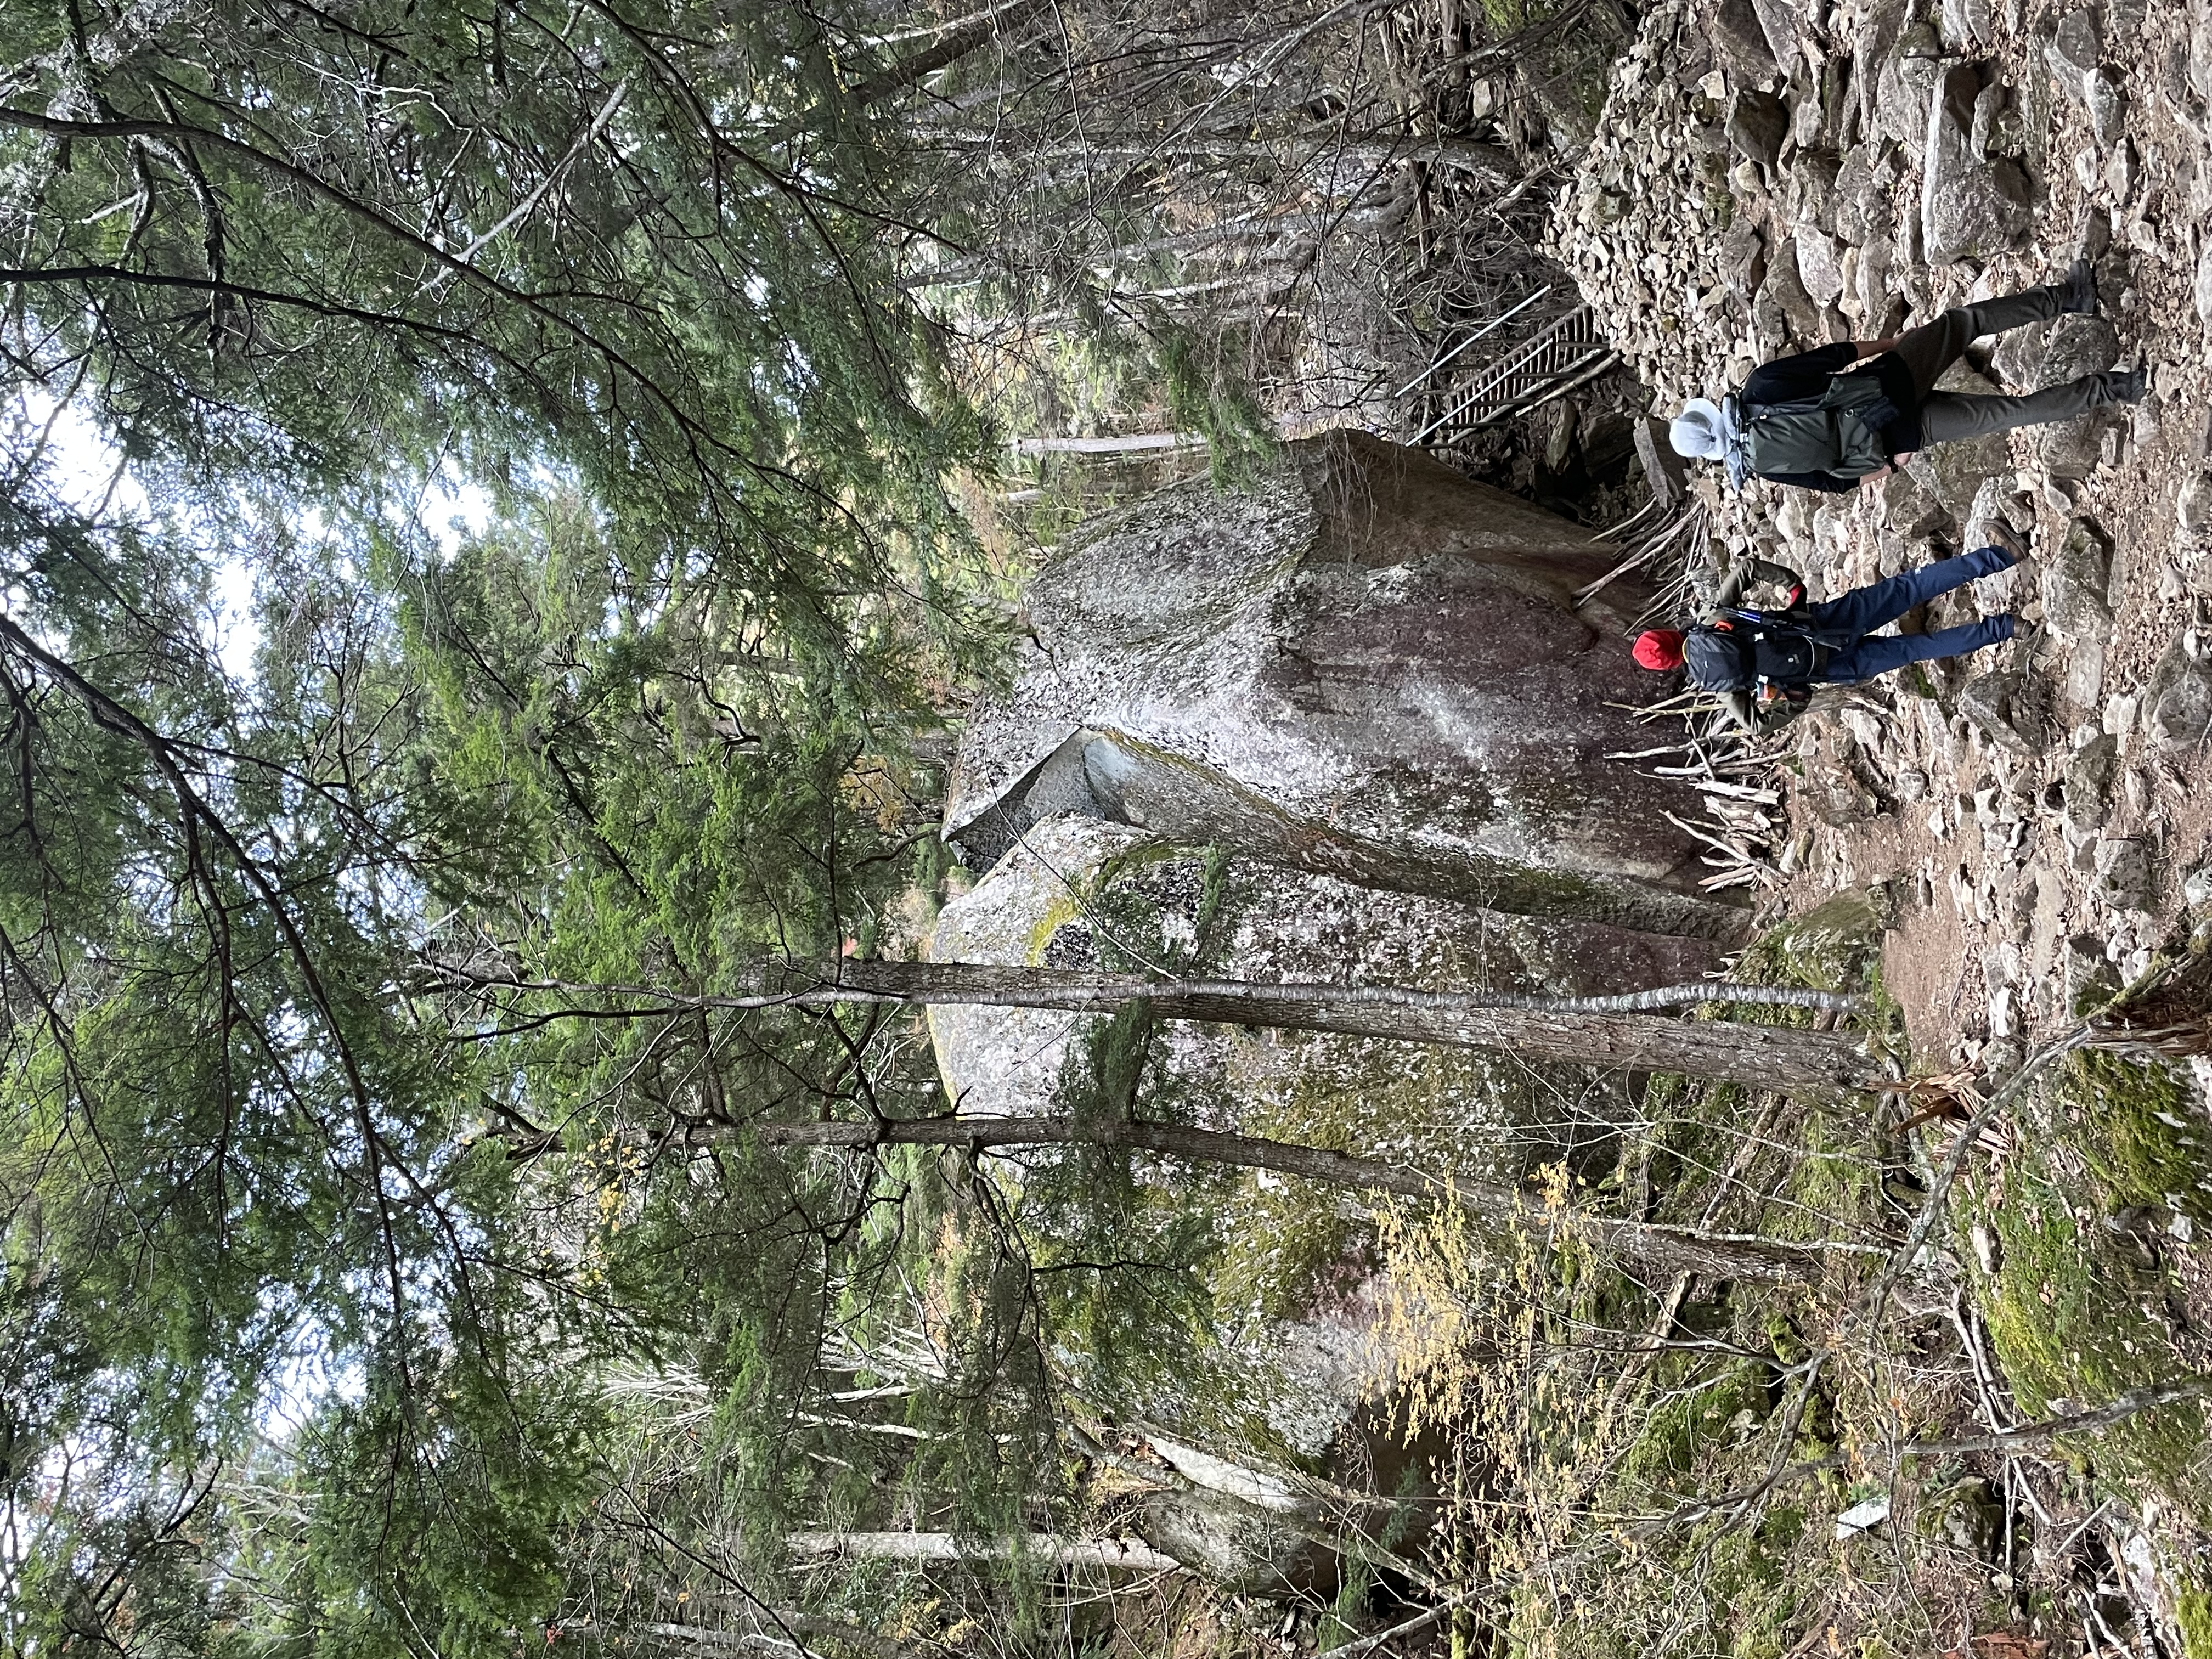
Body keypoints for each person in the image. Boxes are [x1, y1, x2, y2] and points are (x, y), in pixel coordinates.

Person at [1668, 263, 2146, 493]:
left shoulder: (1759, 464)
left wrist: (1893, 465)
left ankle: (2117, 387)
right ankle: (2070, 298)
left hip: (1896, 435)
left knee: (2007, 414)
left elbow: (1836, 484)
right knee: (1965, 324)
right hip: (1889, 380)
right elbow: (1834, 356)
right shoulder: (1758, 389)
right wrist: (1890, 344)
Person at [1630, 536, 2024, 731]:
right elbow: (1747, 570)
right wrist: (1791, 586)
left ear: (1669, 666)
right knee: (1909, 590)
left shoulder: (1717, 684)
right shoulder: (1710, 619)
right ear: (1667, 634)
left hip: (1829, 668)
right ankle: (2004, 555)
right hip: (1821, 623)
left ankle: (2008, 627)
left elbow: (1756, 726)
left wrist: (1796, 701)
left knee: (1915, 650)